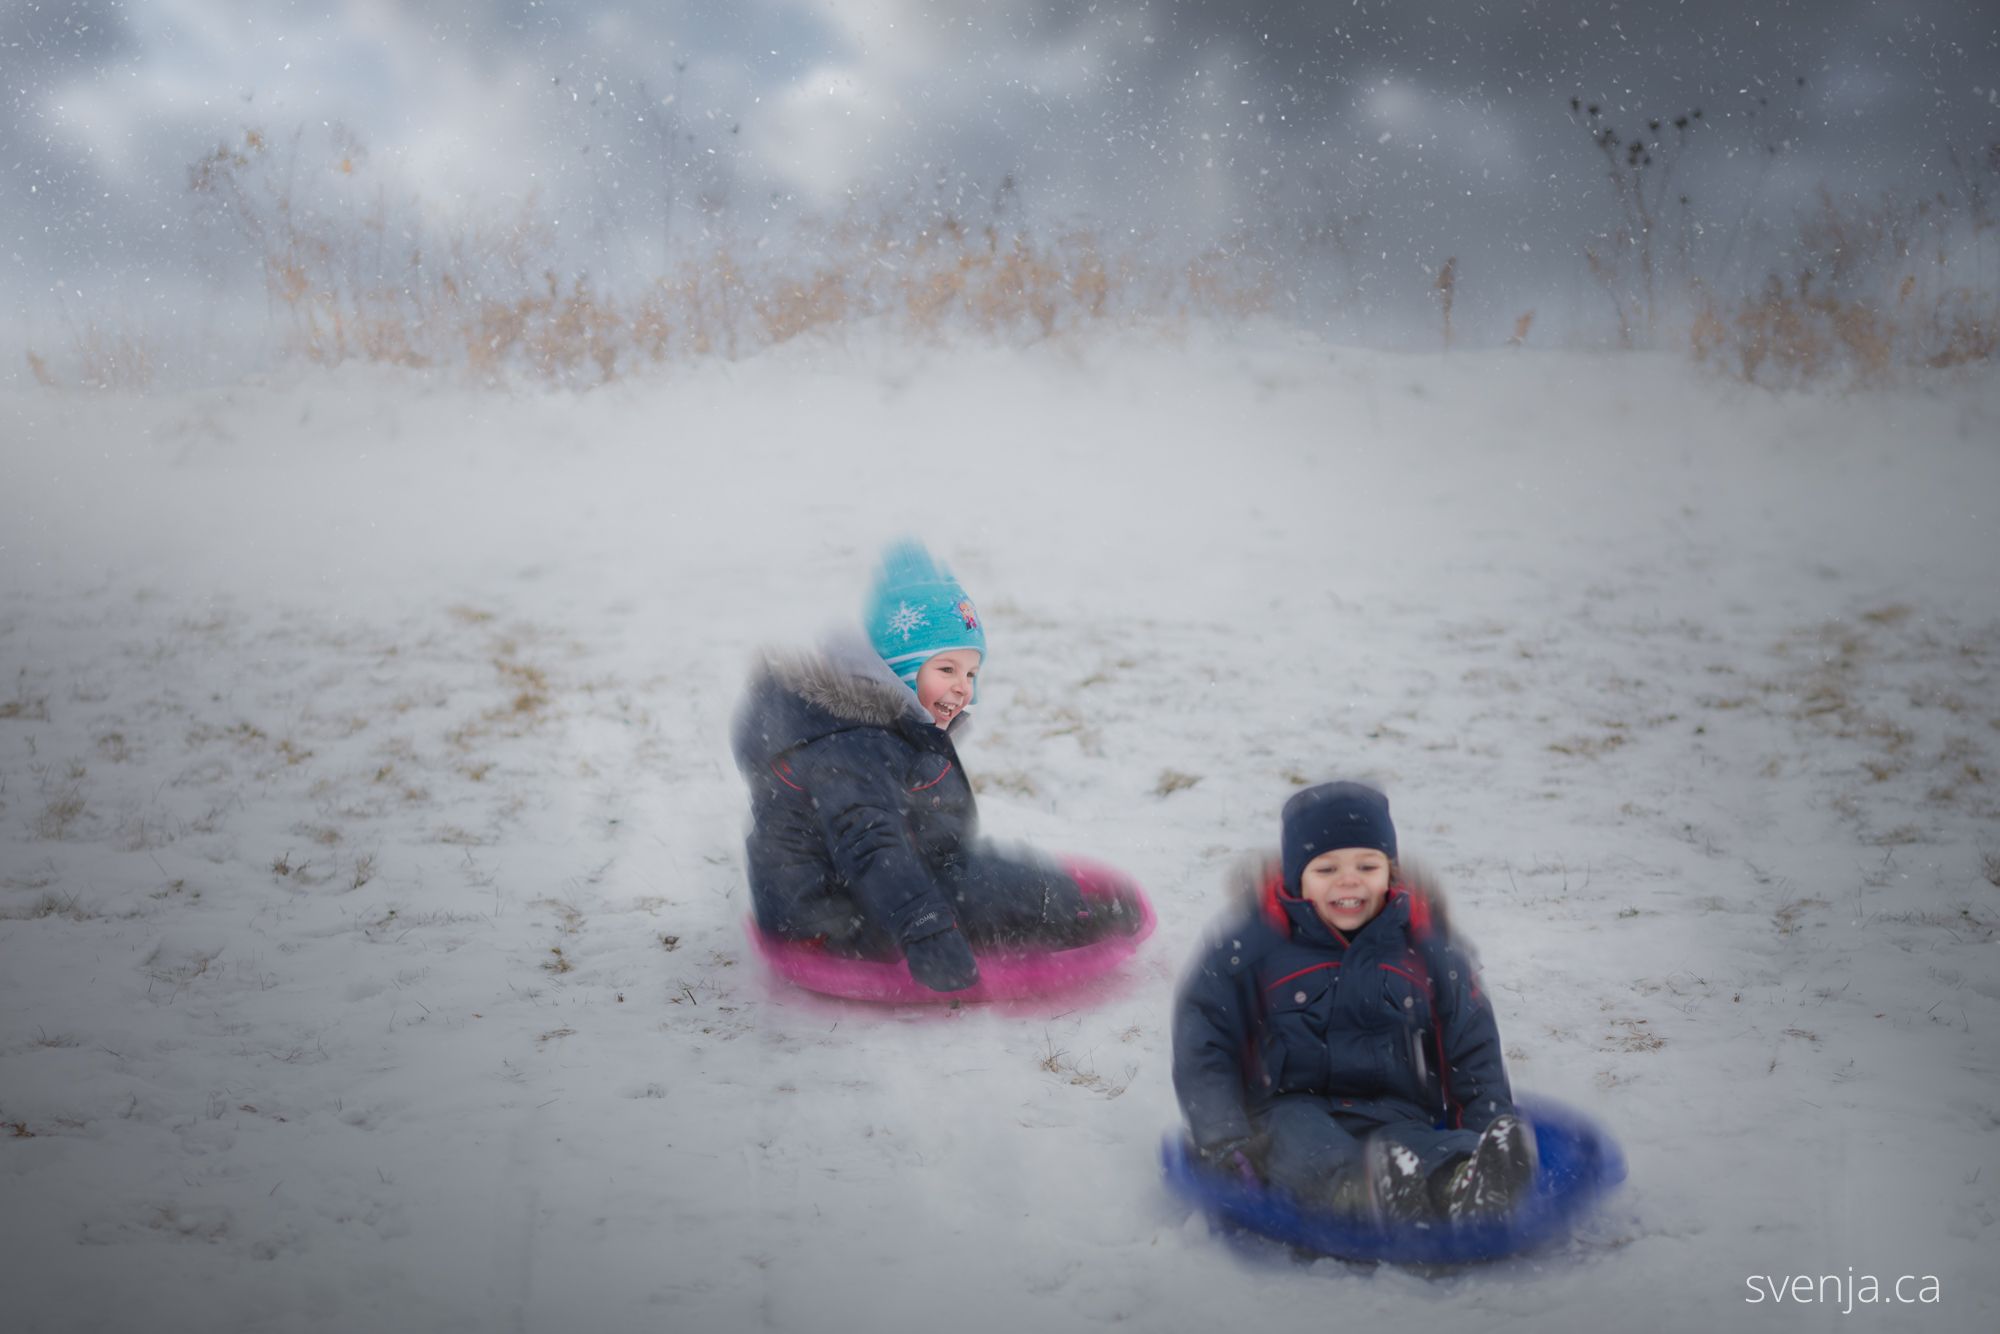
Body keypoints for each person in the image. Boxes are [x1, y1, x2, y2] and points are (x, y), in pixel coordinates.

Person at [731, 540, 1135, 993]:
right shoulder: (853, 745)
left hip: (861, 892)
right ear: (898, 668)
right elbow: (872, 847)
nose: (963, 688)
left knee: (978, 874)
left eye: (970, 673)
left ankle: (1064, 899)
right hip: (826, 923)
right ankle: (1074, 915)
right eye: (947, 669)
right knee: (977, 890)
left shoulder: (878, 725)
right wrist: (928, 928)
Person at [1171, 781, 1535, 1226]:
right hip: (1288, 1109)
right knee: (1308, 1150)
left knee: (1428, 1149)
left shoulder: (1424, 949)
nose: (1349, 881)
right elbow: (1206, 1041)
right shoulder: (1252, 948)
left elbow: (1470, 1045)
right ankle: (1367, 1198)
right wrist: (1221, 1138)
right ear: (1295, 879)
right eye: (1326, 869)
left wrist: (1481, 1132)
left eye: (1367, 865)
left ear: (1390, 871)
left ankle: (1466, 1184)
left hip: (1395, 1112)